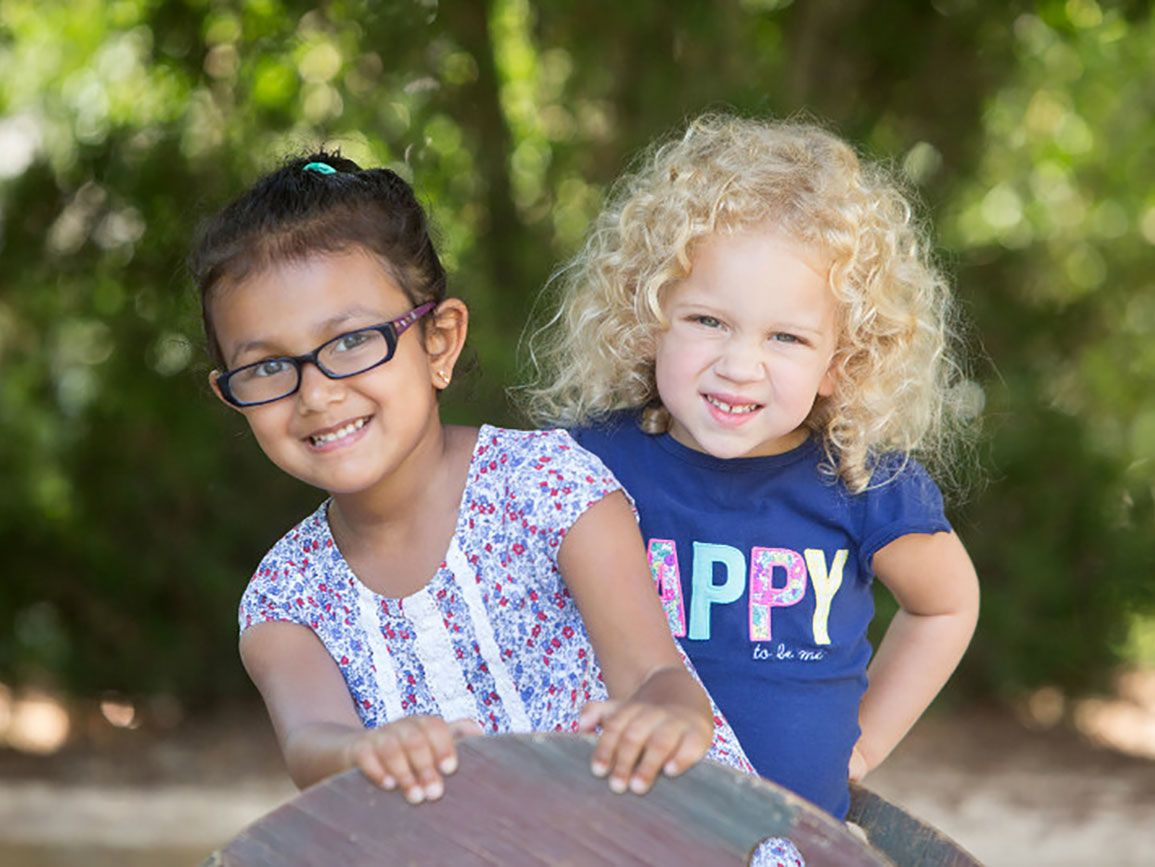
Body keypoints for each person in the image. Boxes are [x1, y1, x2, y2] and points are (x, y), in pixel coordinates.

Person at [188, 150, 792, 842]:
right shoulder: (285, 597)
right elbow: (310, 740)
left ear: (437, 340)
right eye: (267, 366)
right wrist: (361, 753)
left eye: (351, 341)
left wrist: (666, 714)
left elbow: (655, 673)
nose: (317, 394)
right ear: (232, 395)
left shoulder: (547, 485)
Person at [520, 113, 981, 820]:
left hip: (787, 840)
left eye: (787, 337)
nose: (739, 366)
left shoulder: (860, 483)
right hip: (612, 832)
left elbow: (945, 602)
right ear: (648, 317)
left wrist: (861, 745)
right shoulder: (584, 465)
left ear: (841, 361)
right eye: (708, 321)